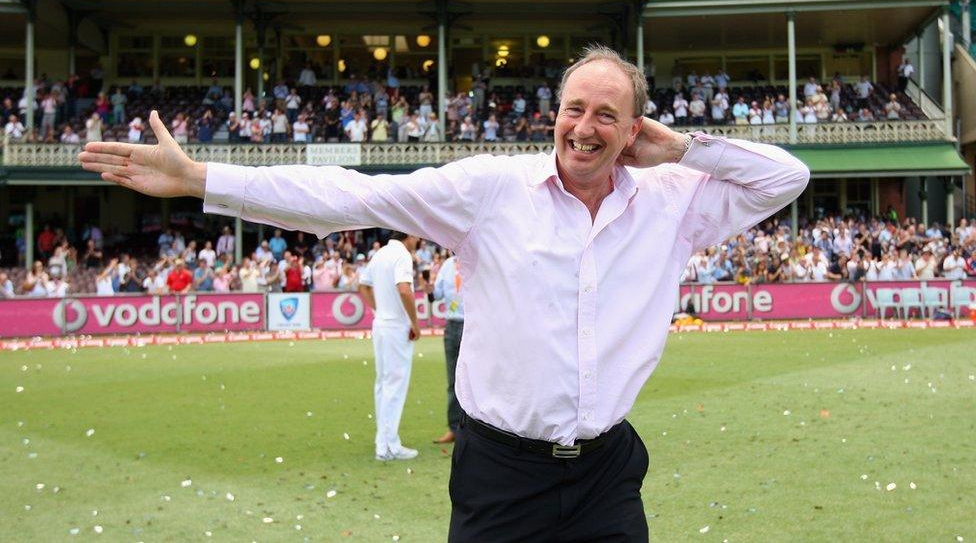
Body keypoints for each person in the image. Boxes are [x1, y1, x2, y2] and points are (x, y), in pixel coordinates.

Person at [78, 44, 809, 540]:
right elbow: (350, 197)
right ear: (554, 112)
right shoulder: (491, 189)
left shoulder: (674, 200)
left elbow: (787, 178)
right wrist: (203, 178)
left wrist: (681, 148)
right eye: (573, 108)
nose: (583, 129)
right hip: (500, 474)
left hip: (607, 474)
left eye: (606, 116)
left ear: (633, 131)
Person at [359, 233, 423, 461]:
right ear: (408, 234)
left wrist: (379, 309)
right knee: (394, 385)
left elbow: (363, 286)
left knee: (383, 384)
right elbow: (404, 289)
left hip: (382, 325)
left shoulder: (380, 254)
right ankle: (389, 445)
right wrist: (414, 322)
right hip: (396, 327)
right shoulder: (402, 255)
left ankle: (382, 442)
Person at [429, 252, 464, 445]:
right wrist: (428, 289)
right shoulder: (448, 265)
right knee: (453, 382)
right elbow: (436, 295)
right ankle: (453, 428)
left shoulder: (476, 258)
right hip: (452, 325)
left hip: (474, 326)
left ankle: (476, 431)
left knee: (478, 381)